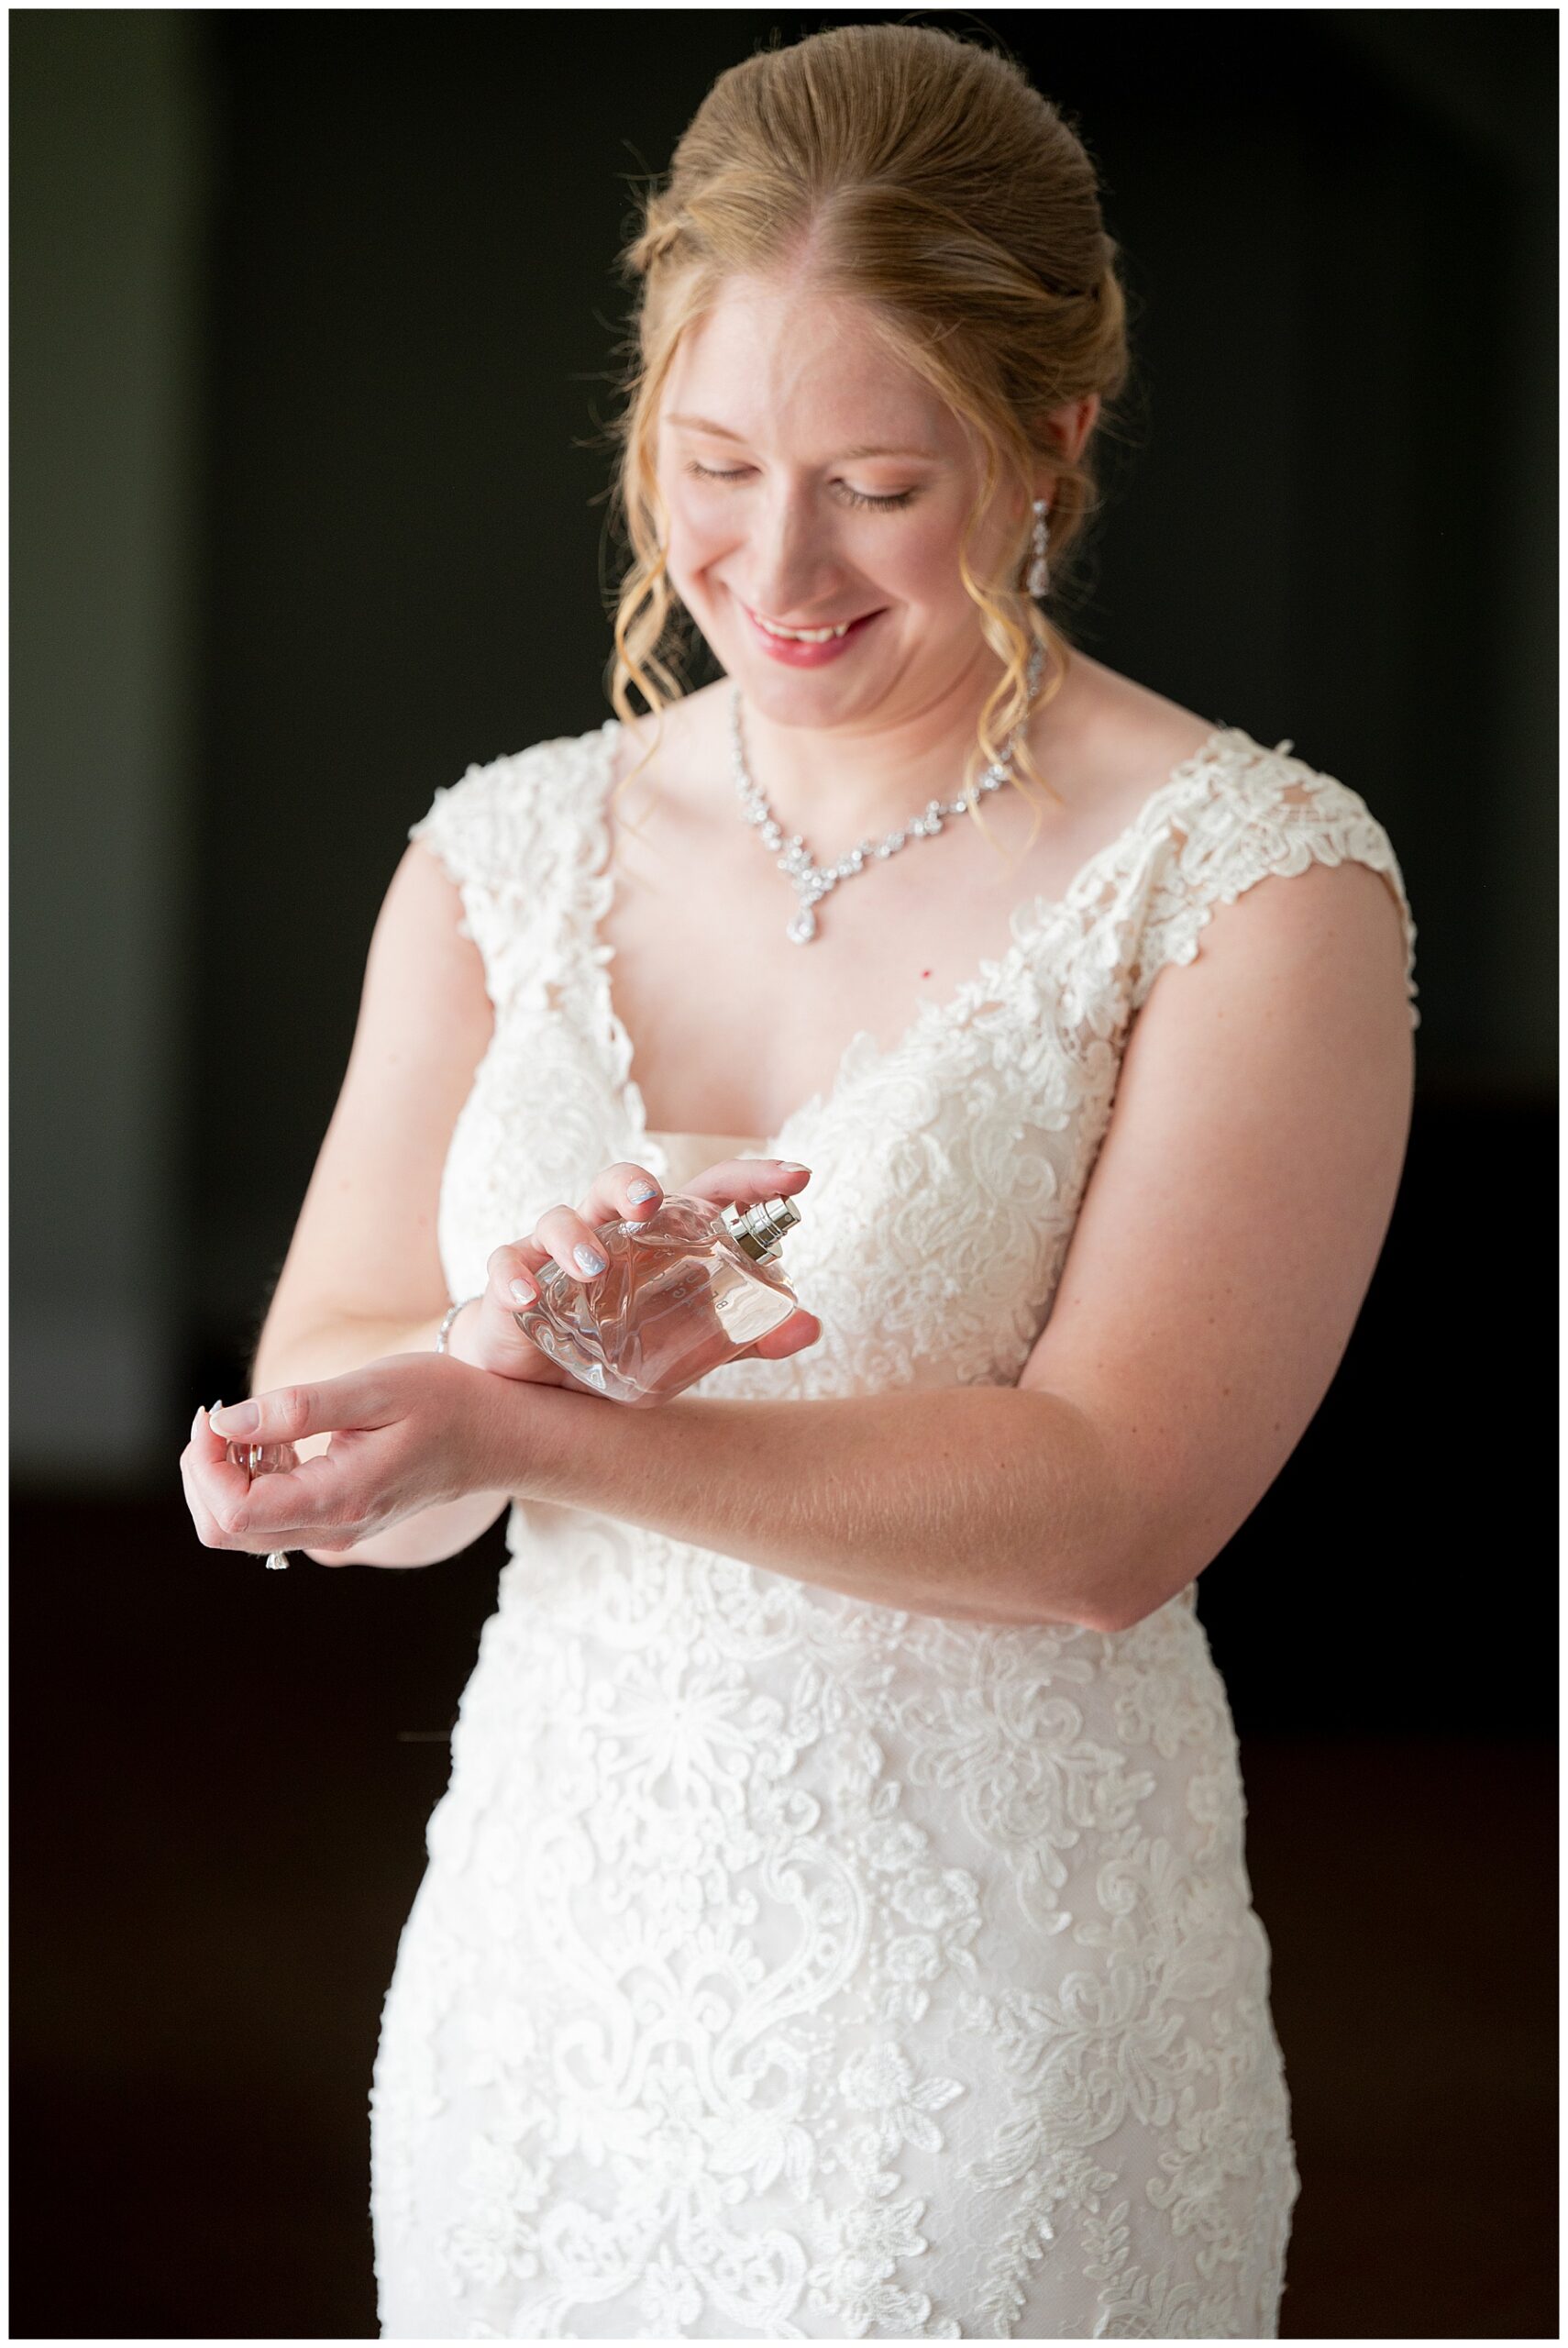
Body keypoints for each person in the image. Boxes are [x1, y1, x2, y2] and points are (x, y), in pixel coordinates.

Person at [181, 23, 1419, 2337]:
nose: (774, 562)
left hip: (990, 2017)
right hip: (547, 1977)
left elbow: (1102, 1515)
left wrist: (540, 1427)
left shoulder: (1255, 888)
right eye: (715, 458)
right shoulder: (503, 853)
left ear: (1052, 435)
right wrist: (416, 1401)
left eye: (873, 478)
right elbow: (363, 1407)